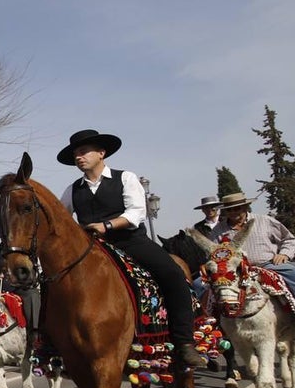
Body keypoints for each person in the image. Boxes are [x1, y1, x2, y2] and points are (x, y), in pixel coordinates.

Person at [57, 129, 204, 367]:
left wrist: (106, 225)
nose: (78, 157)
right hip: (93, 249)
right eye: (75, 154)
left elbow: (137, 212)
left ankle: (184, 342)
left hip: (129, 241)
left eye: (83, 151)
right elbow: (62, 221)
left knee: (173, 275)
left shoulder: (125, 177)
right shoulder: (72, 190)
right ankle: (58, 345)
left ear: (101, 153)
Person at [211, 192, 295, 330]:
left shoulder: (264, 221)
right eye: (229, 209)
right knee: (201, 284)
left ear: (245, 207)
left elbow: (289, 239)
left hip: (268, 264)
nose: (233, 212)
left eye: (237, 208)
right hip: (236, 270)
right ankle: (208, 324)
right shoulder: (218, 231)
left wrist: (284, 254)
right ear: (225, 211)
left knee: (294, 272)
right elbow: (214, 253)